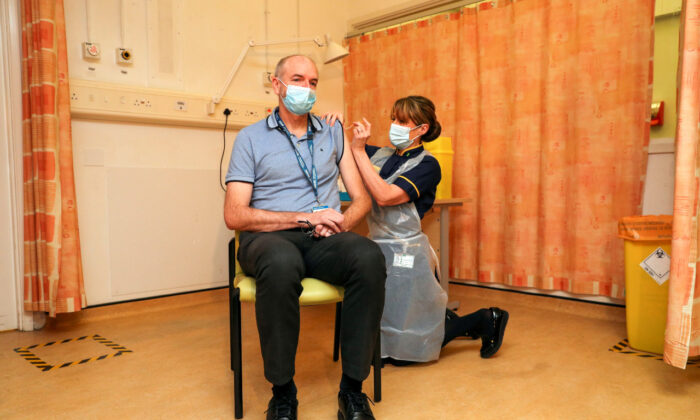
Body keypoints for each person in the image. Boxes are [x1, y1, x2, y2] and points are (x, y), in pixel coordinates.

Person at [224, 55, 385, 420]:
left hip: (324, 236)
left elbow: (361, 200)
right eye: (298, 79)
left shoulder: (332, 132)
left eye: (313, 82)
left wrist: (339, 222)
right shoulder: (250, 138)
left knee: (368, 256)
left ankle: (353, 391)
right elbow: (234, 214)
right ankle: (283, 393)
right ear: (276, 84)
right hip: (269, 237)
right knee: (281, 265)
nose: (307, 89)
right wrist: (305, 217)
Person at [348, 95, 509, 365]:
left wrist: (357, 151)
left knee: (412, 348)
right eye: (393, 119)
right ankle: (443, 317)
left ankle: (485, 318)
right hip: (378, 244)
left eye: (402, 121)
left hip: (407, 252)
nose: (394, 125)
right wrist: (330, 126)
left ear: (421, 129)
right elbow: (346, 150)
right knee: (394, 313)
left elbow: (385, 196)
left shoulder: (427, 165)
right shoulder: (383, 154)